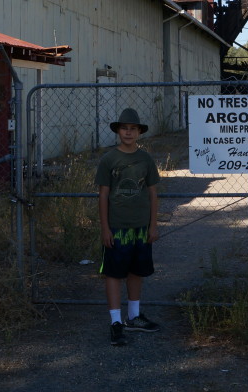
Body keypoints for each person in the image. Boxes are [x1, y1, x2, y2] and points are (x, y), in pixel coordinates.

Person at [95, 107, 161, 346]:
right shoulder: (109, 159)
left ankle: (133, 316)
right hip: (117, 227)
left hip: (141, 228)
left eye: (133, 129)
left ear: (139, 132)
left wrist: (153, 225)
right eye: (124, 128)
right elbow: (103, 195)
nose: (128, 132)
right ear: (118, 131)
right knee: (114, 272)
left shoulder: (145, 159)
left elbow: (153, 194)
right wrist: (105, 228)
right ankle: (115, 322)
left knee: (136, 271)